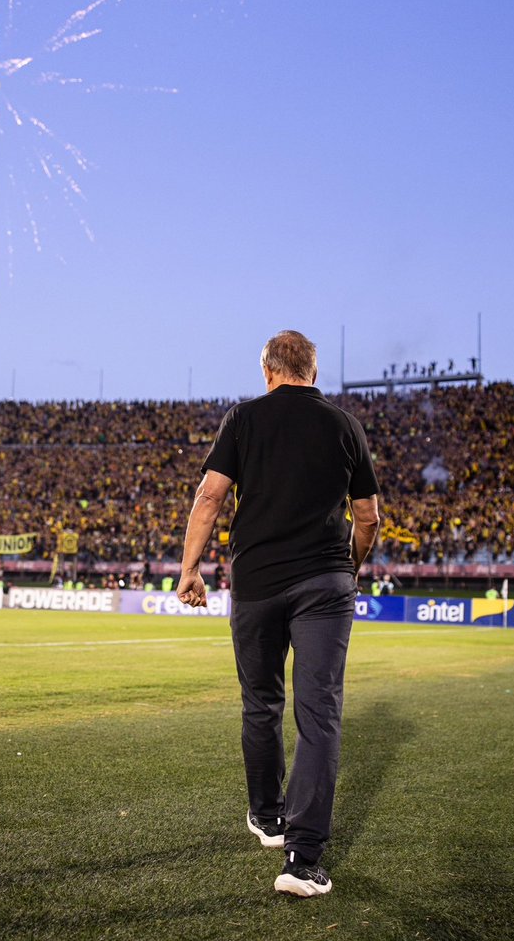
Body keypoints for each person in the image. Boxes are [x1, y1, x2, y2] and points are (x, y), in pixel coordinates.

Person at [176, 330, 380, 898]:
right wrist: (352, 567)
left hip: (258, 582)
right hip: (324, 583)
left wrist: (190, 569)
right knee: (320, 714)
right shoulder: (345, 426)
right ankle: (303, 858)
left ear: (268, 371)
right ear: (313, 372)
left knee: (261, 703)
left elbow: (209, 497)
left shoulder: (243, 419)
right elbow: (368, 517)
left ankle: (266, 817)